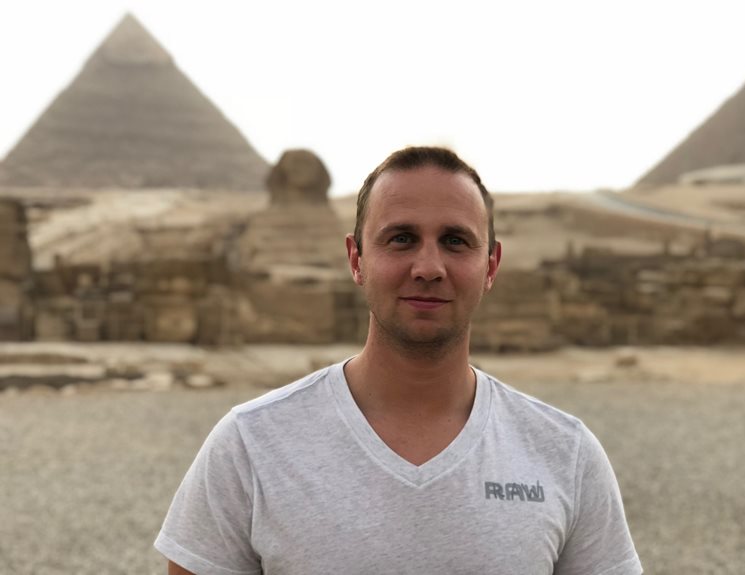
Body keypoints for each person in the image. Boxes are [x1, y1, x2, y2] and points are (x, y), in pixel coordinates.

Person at [155, 146, 642, 575]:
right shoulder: (250, 444)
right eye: (401, 239)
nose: (428, 268)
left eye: (455, 241)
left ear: (491, 265)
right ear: (356, 259)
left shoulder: (565, 453)